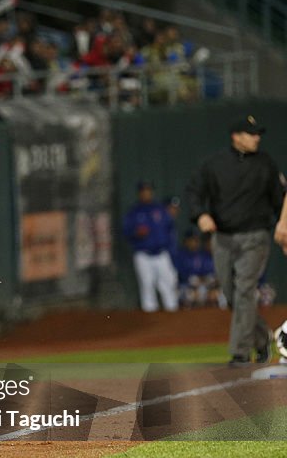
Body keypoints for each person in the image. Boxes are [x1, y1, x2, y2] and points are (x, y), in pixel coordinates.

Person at [185, 115, 286, 364]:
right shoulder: (215, 164)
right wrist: (201, 215)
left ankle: (240, 352)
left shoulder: (265, 164)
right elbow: (194, 192)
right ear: (236, 136)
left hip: (255, 236)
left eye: (257, 134)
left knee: (244, 291)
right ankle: (262, 339)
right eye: (251, 133)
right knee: (231, 295)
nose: (256, 138)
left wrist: (283, 229)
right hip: (223, 237)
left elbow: (281, 199)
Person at [122, 181, 179, 312]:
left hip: (161, 253)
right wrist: (135, 233)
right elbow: (126, 232)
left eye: (149, 190)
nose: (146, 193)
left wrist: (172, 252)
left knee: (168, 285)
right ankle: (150, 317)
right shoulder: (133, 212)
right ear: (139, 193)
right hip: (143, 255)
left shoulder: (160, 209)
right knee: (147, 286)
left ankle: (174, 315)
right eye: (144, 190)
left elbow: (170, 230)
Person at [172, 229, 217, 308]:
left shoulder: (202, 254)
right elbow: (181, 275)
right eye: (192, 240)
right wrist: (195, 280)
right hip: (184, 286)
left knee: (213, 294)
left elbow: (207, 273)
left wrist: (203, 280)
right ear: (186, 241)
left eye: (196, 240)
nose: (194, 243)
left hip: (201, 286)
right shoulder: (180, 255)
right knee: (191, 295)